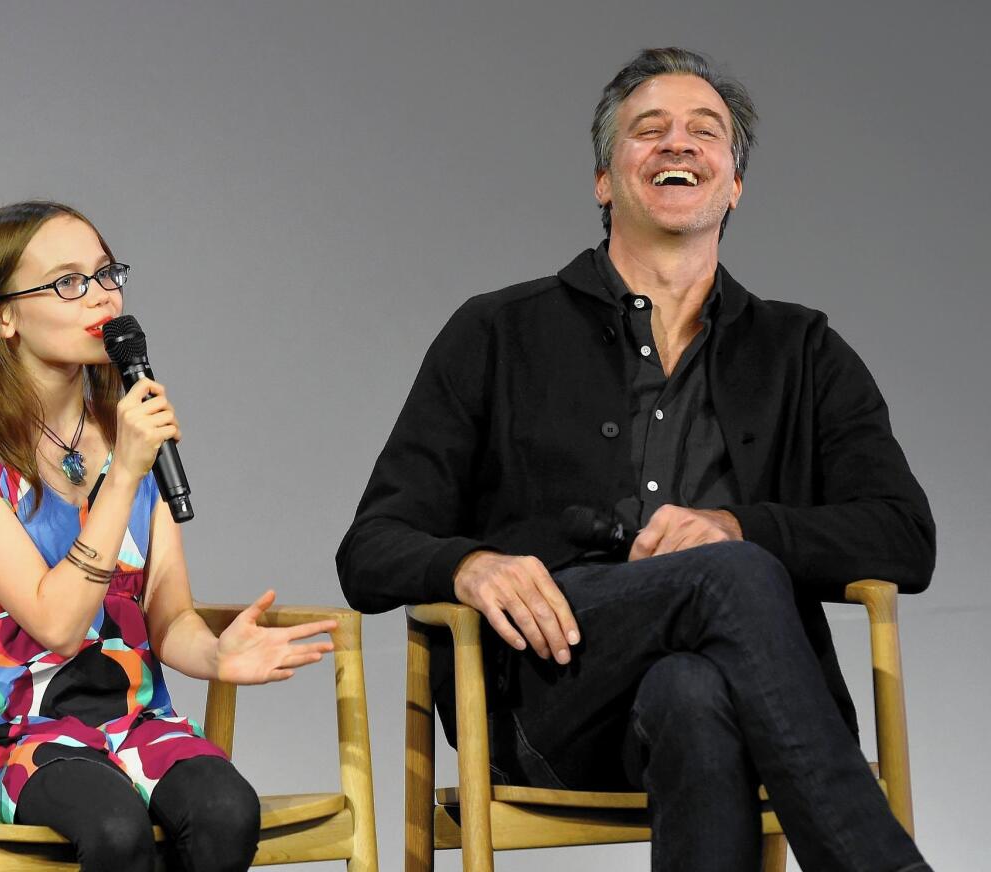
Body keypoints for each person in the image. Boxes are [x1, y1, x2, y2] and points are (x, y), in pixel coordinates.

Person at [337, 48, 934, 872]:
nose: (677, 145)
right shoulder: (496, 332)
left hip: (740, 703)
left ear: (734, 184)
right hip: (553, 697)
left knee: (694, 685)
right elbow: (368, 550)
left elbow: (905, 537)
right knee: (735, 572)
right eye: (648, 132)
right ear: (603, 180)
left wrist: (735, 524)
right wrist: (470, 565)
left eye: (706, 133)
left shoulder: (804, 350)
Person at [0, 200, 336, 872]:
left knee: (228, 811)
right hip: (22, 733)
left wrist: (217, 656)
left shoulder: (128, 437)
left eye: (107, 275)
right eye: (67, 282)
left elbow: (167, 617)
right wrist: (125, 474)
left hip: (139, 724)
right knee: (114, 828)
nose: (100, 296)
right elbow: (56, 622)